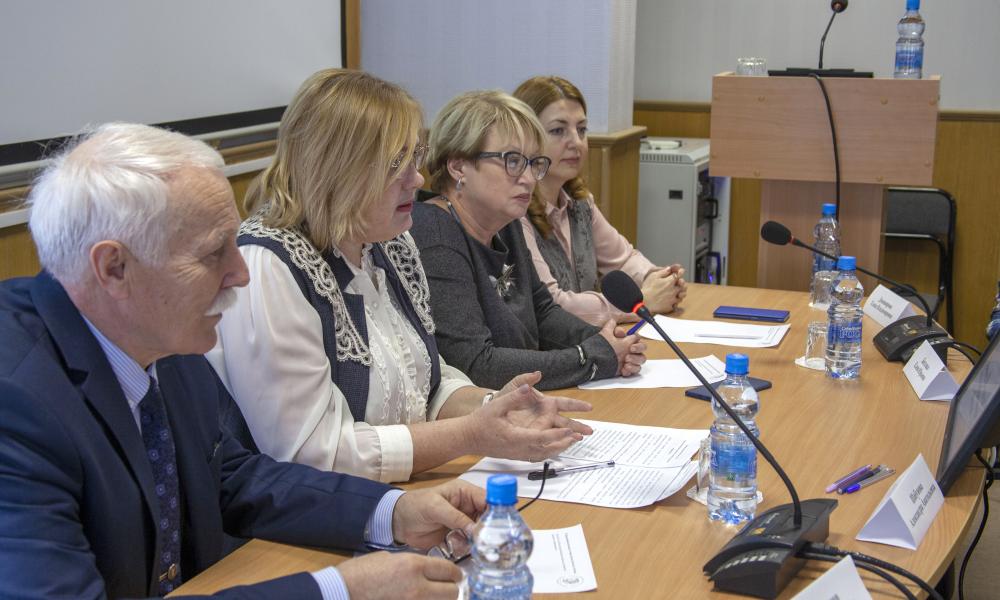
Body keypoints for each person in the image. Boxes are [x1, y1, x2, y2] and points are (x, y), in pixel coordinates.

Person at [0, 122, 489, 599]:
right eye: (212, 254)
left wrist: (393, 512)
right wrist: (338, 590)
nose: (240, 273)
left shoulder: (159, 336)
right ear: (114, 268)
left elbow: (233, 478)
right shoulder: (16, 404)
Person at [210, 69, 592, 484]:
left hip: (400, 495)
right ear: (339, 169)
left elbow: (425, 382)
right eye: (398, 163)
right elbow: (312, 453)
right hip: (314, 515)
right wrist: (471, 433)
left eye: (416, 157)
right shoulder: (269, 266)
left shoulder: (389, 242)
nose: (419, 179)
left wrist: (496, 408)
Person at [410, 90, 647, 391]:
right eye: (512, 161)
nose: (529, 178)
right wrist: (592, 356)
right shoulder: (435, 235)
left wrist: (609, 342)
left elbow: (543, 313)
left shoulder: (504, 223)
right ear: (458, 166)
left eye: (533, 163)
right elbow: (476, 365)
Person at [512, 75, 688, 326]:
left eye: (581, 129)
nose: (576, 142)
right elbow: (554, 305)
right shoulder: (515, 212)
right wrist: (644, 302)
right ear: (526, 139)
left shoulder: (579, 201)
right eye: (558, 130)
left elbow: (623, 259)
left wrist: (658, 279)